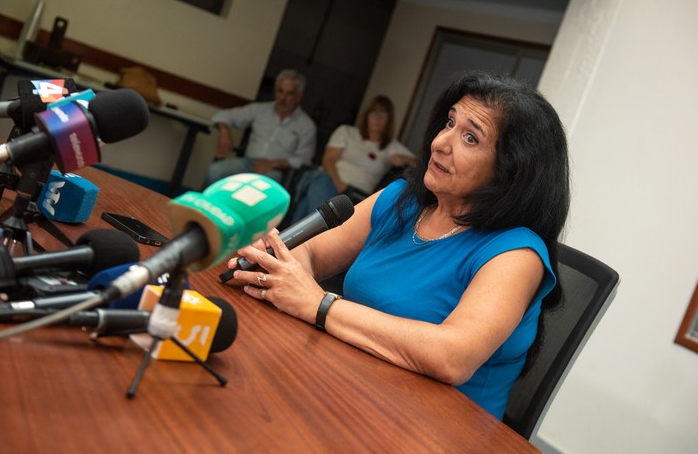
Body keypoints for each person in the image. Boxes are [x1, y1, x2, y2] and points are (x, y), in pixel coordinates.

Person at [226, 70, 570, 420]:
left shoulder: (516, 254)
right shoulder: (400, 201)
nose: (440, 142)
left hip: (436, 430)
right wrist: (275, 269)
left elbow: (452, 357)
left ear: (509, 170)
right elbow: (312, 251)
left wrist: (319, 304)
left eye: (470, 138)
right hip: (348, 390)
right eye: (449, 123)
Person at [290, 95, 417, 223]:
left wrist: (404, 158)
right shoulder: (347, 132)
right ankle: (319, 232)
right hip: (331, 182)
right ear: (367, 115)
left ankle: (300, 236)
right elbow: (328, 160)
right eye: (374, 113)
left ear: (389, 120)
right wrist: (339, 184)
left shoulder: (391, 146)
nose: (377, 119)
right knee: (319, 180)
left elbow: (419, 163)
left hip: (357, 196)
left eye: (383, 115)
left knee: (308, 199)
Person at [204, 69, 317, 187]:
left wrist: (274, 164)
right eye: (280, 91)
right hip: (248, 162)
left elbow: (304, 159)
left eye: (289, 93)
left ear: (298, 96)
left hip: (276, 170)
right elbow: (223, 115)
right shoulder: (260, 109)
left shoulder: (306, 125)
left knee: (266, 183)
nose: (283, 98)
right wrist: (224, 132)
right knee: (215, 171)